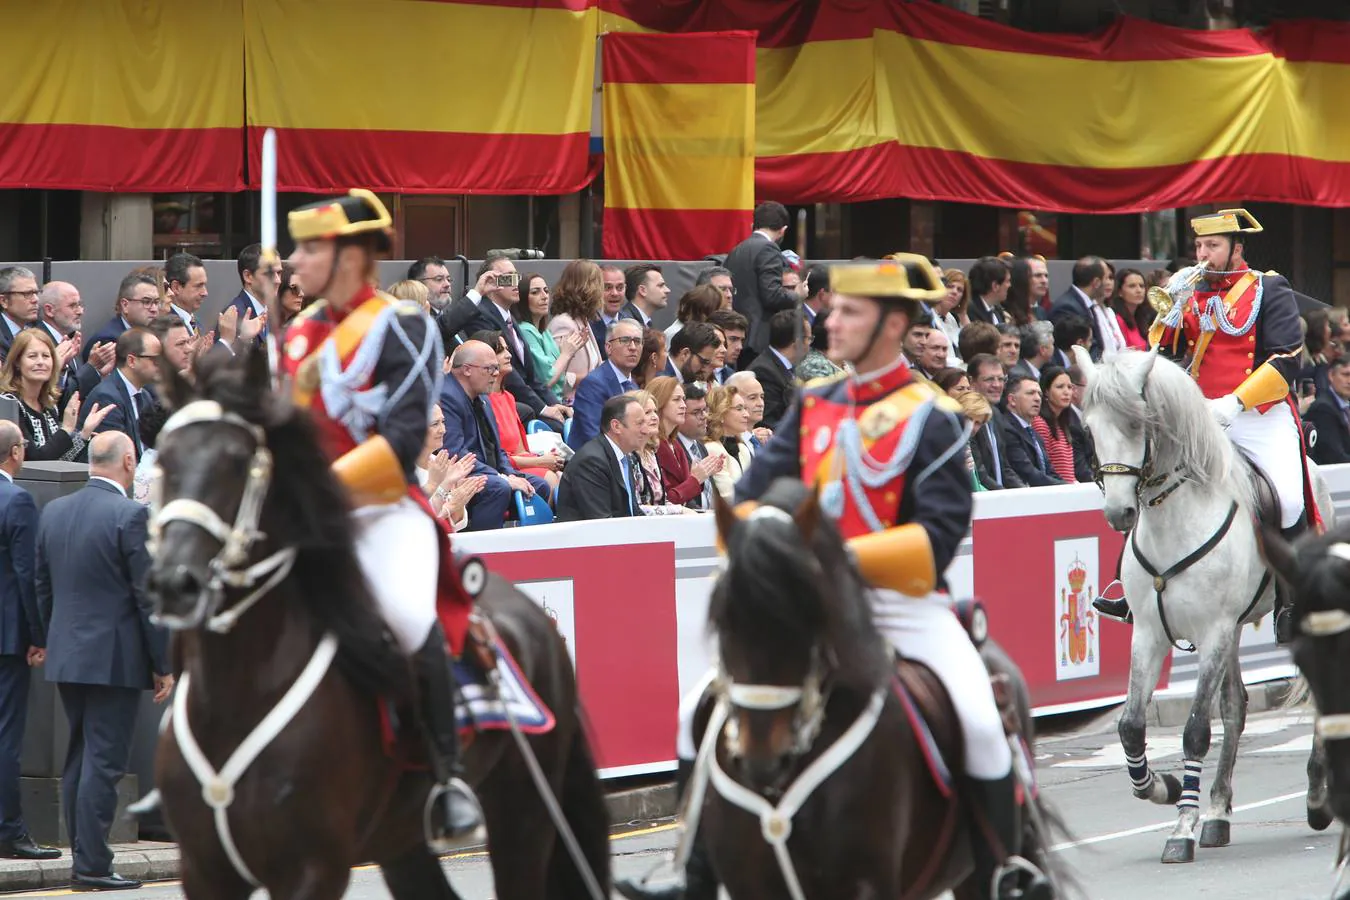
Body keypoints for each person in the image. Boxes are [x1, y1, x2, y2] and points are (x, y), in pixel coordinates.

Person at [642, 256, 1041, 900]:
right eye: (835, 308)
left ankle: (1007, 870)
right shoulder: (815, 405)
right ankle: (693, 868)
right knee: (701, 706)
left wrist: (837, 562)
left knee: (978, 717)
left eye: (849, 312)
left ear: (890, 325)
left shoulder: (929, 415)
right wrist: (758, 542)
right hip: (806, 604)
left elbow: (938, 538)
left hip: (900, 605)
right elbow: (751, 495)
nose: (830, 319)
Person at [282, 189, 483, 848]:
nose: (295, 259)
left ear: (349, 256)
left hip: (380, 510)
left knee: (405, 615)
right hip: (302, 511)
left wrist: (319, 494)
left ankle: (446, 775)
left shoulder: (403, 326)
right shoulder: (298, 332)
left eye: (310, 247)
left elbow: (400, 442)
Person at [1094, 209, 1311, 644]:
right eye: (1198, 246)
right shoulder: (1188, 290)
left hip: (1257, 414)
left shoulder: (1270, 287)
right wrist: (1166, 317)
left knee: (1286, 500)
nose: (1203, 254)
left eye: (1212, 246)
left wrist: (1236, 402)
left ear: (1236, 248)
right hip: (1198, 415)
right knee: (1151, 484)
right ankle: (1129, 587)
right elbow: (1167, 353)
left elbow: (1287, 357)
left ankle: (1293, 598)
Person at [35, 432, 172, 891]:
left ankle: (84, 859)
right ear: (130, 461)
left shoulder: (55, 511)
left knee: (80, 756)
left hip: (68, 655)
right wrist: (163, 663)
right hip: (114, 657)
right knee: (105, 761)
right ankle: (93, 865)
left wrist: (49, 637)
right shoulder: (131, 515)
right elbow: (146, 597)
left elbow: (41, 586)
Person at [0, 422, 59, 862]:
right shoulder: (17, 500)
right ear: (16, 453)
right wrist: (39, 636)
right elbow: (28, 575)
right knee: (6, 735)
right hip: (7, 637)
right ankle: (9, 829)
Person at [476, 330, 565, 495]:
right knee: (550, 479)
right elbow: (497, 458)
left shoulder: (508, 397)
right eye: (500, 350)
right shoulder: (481, 402)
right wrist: (541, 462)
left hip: (519, 462)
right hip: (503, 470)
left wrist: (545, 459)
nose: (509, 355)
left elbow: (520, 451)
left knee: (562, 475)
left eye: (507, 349)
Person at [0, 330, 111, 462]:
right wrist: (66, 428)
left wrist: (84, 434)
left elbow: (59, 461)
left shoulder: (49, 405)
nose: (40, 362)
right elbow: (34, 461)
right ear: (17, 362)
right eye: (32, 356)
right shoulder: (9, 404)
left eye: (46, 356)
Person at [724, 201, 801, 364]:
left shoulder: (735, 250)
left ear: (754, 225)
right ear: (783, 230)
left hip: (738, 337)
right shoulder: (769, 248)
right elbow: (772, 295)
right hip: (759, 340)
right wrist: (798, 294)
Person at [555, 394, 648, 522]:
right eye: (639, 423)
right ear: (616, 426)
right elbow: (602, 524)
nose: (646, 430)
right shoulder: (591, 462)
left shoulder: (625, 456)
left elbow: (632, 511)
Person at [568, 318, 644, 450]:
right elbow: (594, 438)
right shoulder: (593, 384)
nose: (632, 347)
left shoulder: (633, 385)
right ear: (608, 348)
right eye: (625, 340)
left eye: (637, 341)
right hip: (595, 465)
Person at [515, 273, 588, 403]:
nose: (544, 296)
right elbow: (547, 381)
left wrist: (572, 348)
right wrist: (566, 353)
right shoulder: (525, 330)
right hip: (546, 405)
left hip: (560, 402)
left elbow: (558, 373)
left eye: (546, 291)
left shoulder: (544, 332)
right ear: (522, 298)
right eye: (535, 292)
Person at [546, 260, 605, 400]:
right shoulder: (563, 324)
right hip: (570, 405)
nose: (602, 291)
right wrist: (590, 378)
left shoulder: (583, 320)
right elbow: (553, 375)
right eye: (599, 283)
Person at [1031, 367, 1083, 483]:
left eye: (1069, 387)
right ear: (1046, 391)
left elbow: (1069, 472)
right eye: (1060, 387)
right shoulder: (1040, 423)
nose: (1066, 392)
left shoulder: (1062, 424)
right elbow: (1046, 467)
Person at [702, 385, 753, 500]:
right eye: (739, 409)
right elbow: (728, 495)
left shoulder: (743, 448)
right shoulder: (712, 449)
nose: (746, 414)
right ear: (721, 413)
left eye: (745, 408)